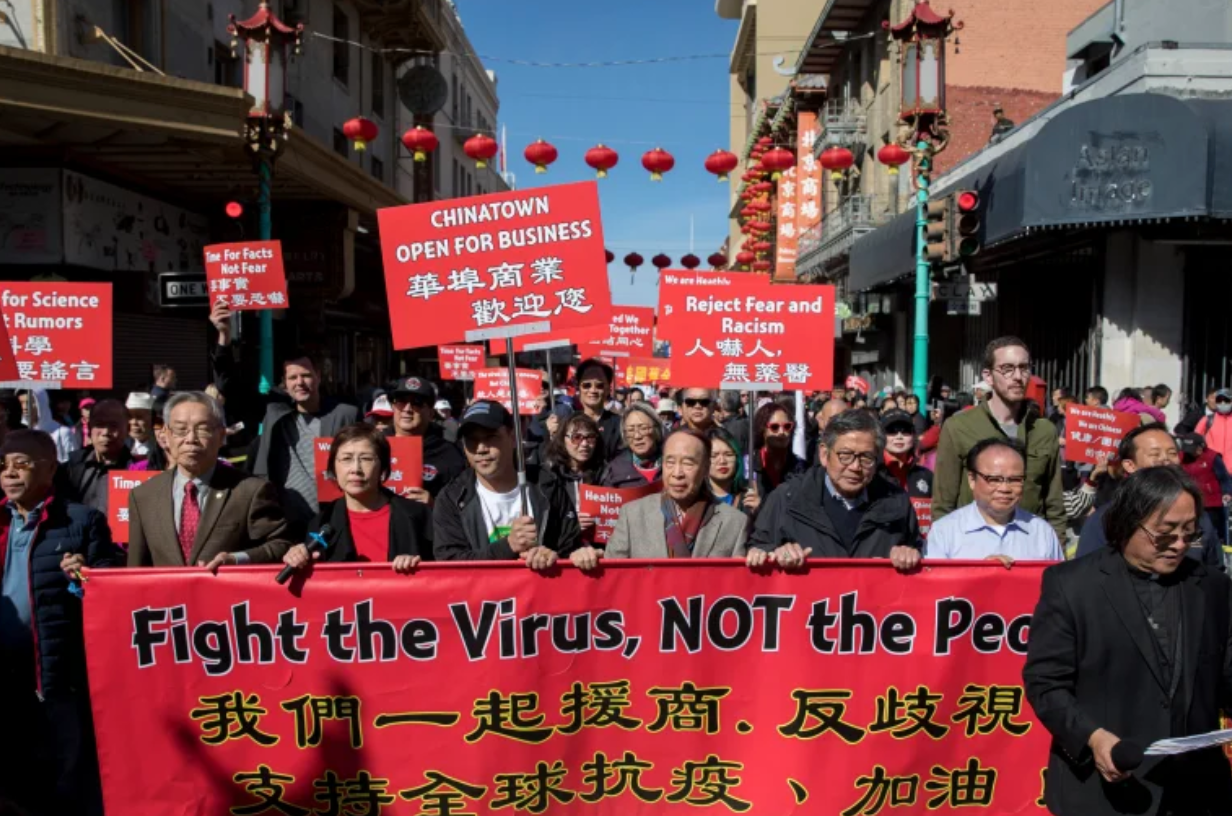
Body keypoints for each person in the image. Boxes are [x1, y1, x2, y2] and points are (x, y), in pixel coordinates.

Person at [1023, 466, 1232, 816]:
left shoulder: (1212, 587)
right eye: (1165, 534)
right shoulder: (1071, 585)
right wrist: (1093, 738)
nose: (1180, 545)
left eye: (1189, 533)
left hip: (1197, 791)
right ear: (1126, 523)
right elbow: (1046, 684)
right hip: (1107, 791)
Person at [2, 430, 121, 815]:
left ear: (50, 468)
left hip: (56, 673)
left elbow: (110, 590)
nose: (10, 474)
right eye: (3, 465)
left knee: (63, 776)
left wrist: (83, 578)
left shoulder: (81, 521)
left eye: (21, 464)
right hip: (4, 675)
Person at [128, 392, 292, 570]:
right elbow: (137, 569)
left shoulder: (250, 491)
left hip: (227, 595)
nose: (191, 439)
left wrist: (237, 559)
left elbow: (281, 545)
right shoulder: (144, 496)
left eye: (203, 429)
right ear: (166, 435)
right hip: (168, 597)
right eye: (181, 430)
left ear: (221, 435)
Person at [746, 410, 922, 569]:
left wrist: (910, 554)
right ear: (824, 454)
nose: (855, 466)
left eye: (866, 457)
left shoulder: (897, 502)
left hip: (872, 602)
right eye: (845, 456)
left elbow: (921, 554)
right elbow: (757, 550)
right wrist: (778, 553)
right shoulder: (787, 498)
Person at [933, 337, 1065, 539]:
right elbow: (943, 504)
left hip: (1030, 548)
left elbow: (1054, 505)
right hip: (972, 549)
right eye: (1007, 369)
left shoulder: (1044, 430)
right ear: (988, 376)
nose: (1018, 376)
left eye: (1024, 368)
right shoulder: (958, 427)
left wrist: (1058, 556)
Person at [571, 429, 746, 568]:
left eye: (688, 463)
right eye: (670, 462)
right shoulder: (632, 515)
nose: (677, 473)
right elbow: (614, 578)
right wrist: (586, 558)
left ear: (706, 467)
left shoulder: (735, 522)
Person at [433, 400, 579, 567]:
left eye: (491, 437)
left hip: (539, 591)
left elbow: (570, 547)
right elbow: (450, 564)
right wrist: (507, 546)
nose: (481, 448)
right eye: (471, 440)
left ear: (513, 437)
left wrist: (555, 557)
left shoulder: (547, 485)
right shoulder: (451, 498)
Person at [281, 424, 430, 573]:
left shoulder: (417, 515)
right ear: (333, 468)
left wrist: (419, 567)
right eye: (346, 459)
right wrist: (298, 557)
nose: (355, 469)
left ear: (383, 468)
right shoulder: (321, 523)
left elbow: (441, 573)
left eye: (366, 459)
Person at [1075, 426, 1225, 570]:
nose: (1166, 460)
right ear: (1130, 465)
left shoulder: (1195, 515)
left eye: (1172, 453)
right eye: (1155, 454)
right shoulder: (1106, 518)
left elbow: (1214, 568)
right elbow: (1088, 573)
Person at [253, 354, 359, 530]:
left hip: (334, 519)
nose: (299, 382)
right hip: (286, 522)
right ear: (285, 384)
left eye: (306, 375)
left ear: (318, 376)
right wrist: (224, 339)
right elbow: (230, 389)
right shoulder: (275, 414)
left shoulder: (346, 414)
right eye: (292, 377)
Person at [926, 438, 1063, 564]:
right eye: (994, 480)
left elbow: (1059, 587)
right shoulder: (944, 532)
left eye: (1015, 480)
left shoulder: (1042, 533)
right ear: (972, 480)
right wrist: (981, 575)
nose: (1004, 488)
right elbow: (935, 588)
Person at [386, 376, 466, 503]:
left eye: (417, 402)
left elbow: (461, 505)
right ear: (393, 407)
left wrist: (434, 504)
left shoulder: (449, 454)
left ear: (430, 413)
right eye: (401, 401)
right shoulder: (375, 445)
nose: (407, 409)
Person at [57, 399, 132, 513]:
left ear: (128, 429)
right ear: (90, 428)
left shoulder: (138, 470)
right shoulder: (70, 469)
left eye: (113, 425)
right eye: (99, 425)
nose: (106, 432)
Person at [539, 413, 607, 540]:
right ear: (562, 439)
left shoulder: (606, 473)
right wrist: (572, 524)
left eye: (590, 437)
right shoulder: (549, 475)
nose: (584, 444)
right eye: (577, 437)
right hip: (561, 549)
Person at [1178, 431, 1232, 545]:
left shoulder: (1212, 457)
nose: (1191, 453)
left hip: (1212, 502)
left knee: (1216, 529)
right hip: (1192, 501)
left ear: (1201, 447)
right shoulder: (1181, 458)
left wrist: (1227, 492)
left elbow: (1224, 477)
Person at [601, 403, 664, 488]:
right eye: (630, 430)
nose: (637, 436)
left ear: (656, 429)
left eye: (643, 428)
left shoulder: (672, 464)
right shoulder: (614, 470)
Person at [571, 358, 624, 461]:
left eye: (599, 385)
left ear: (608, 389)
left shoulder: (619, 424)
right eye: (587, 385)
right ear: (578, 388)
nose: (593, 390)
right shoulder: (568, 423)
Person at [879, 410, 932, 510]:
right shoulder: (872, 473)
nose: (899, 436)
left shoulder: (927, 476)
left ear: (914, 435)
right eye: (892, 430)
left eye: (905, 430)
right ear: (881, 436)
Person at [752, 400, 806, 497]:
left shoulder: (800, 466)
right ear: (762, 430)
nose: (781, 432)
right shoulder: (749, 465)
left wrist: (761, 505)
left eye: (787, 426)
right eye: (774, 427)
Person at [707, 426, 757, 518]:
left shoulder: (748, 497)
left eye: (728, 454)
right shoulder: (697, 499)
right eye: (714, 456)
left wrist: (758, 512)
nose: (722, 461)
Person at [1199, 387, 1232, 467]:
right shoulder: (1207, 420)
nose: (1223, 403)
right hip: (1212, 469)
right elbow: (1196, 440)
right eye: (1219, 400)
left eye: (1226, 400)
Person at [126, 392, 155, 458]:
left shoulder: (163, 449)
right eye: (129, 416)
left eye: (139, 417)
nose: (133, 422)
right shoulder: (121, 447)